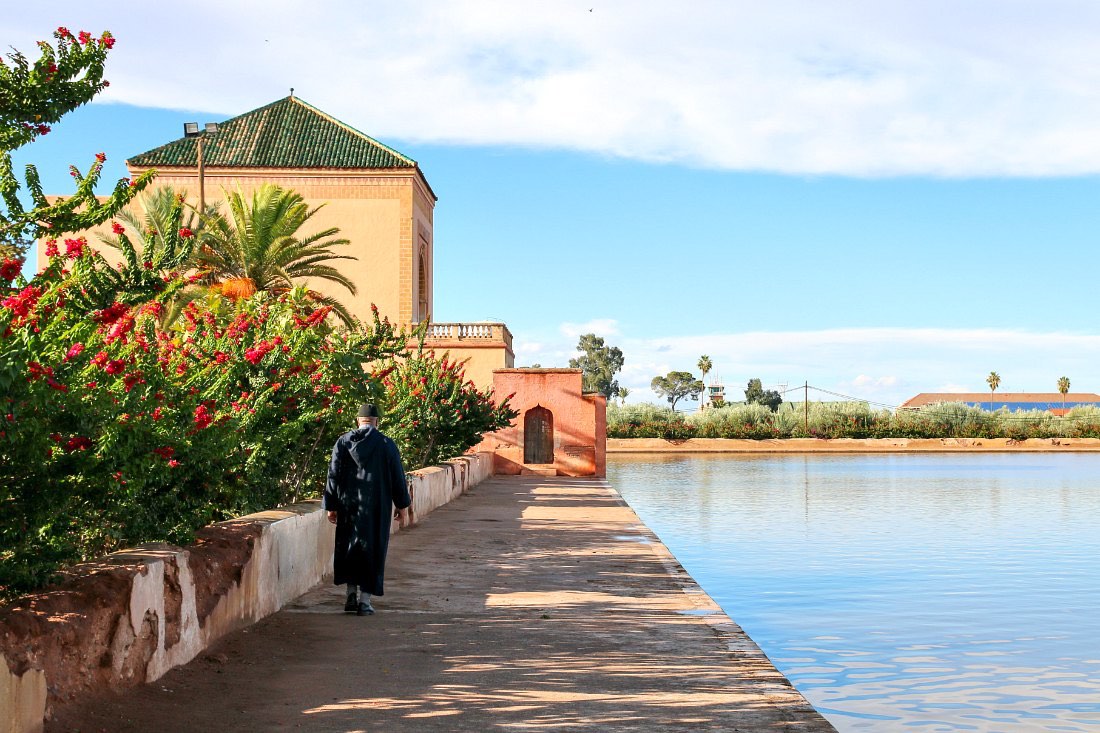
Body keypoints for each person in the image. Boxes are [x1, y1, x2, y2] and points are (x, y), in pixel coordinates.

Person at [324, 403, 411, 616]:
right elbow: (397, 477)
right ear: (376, 421)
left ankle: (350, 595)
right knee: (373, 549)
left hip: (349, 505)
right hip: (377, 506)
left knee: (349, 547)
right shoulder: (386, 444)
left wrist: (331, 505)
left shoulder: (343, 443)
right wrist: (402, 505)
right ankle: (365, 601)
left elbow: (333, 475)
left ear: (358, 421)